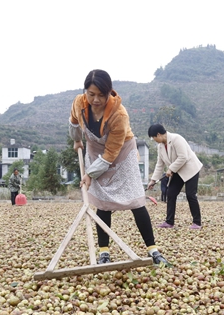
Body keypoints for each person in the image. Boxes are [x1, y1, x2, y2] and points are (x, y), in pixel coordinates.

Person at [69, 69, 169, 266]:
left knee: (136, 200)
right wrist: (77, 141)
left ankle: (153, 250)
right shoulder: (79, 103)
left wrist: (90, 174)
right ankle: (104, 252)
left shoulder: (119, 114)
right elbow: (73, 123)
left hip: (121, 153)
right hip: (95, 151)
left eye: (101, 95)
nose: (95, 99)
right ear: (85, 92)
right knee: (103, 203)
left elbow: (111, 153)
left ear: (109, 92)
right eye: (91, 94)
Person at [147, 124, 203, 230]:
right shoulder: (160, 146)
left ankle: (197, 222)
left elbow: (183, 157)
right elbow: (160, 163)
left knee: (191, 195)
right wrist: (153, 180)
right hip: (177, 171)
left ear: (158, 134)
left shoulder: (177, 139)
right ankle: (169, 222)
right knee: (171, 193)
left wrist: (171, 169)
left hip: (190, 169)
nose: (155, 141)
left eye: (154, 138)